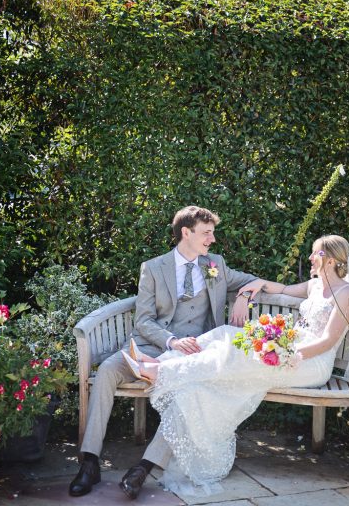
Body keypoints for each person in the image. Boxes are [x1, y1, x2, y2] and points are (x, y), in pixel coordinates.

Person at [122, 235, 349, 497]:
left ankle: (160, 370)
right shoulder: (315, 286)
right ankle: (162, 365)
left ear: (328, 260)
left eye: (314, 254)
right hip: (285, 353)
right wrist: (251, 288)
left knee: (232, 353)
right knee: (219, 345)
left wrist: (286, 352)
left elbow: (327, 341)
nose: (309, 258)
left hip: (309, 362)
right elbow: (281, 289)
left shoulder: (347, 293)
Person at [68, 206, 259, 498]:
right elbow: (143, 320)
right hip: (151, 347)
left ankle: (143, 469)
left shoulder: (215, 265)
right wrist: (170, 341)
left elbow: (251, 280)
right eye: (207, 233)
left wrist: (244, 296)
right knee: (107, 369)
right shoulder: (154, 268)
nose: (212, 239)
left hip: (192, 356)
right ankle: (90, 462)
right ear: (187, 232)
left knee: (188, 394)